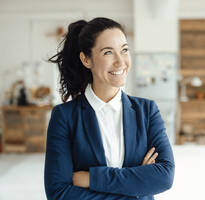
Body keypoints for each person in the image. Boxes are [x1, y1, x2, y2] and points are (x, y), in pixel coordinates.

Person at [44, 17, 175, 200]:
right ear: (86, 59)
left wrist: (92, 178)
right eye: (108, 52)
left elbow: (164, 177)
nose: (120, 62)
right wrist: (137, 185)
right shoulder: (64, 116)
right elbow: (59, 193)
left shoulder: (147, 111)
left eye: (124, 50)